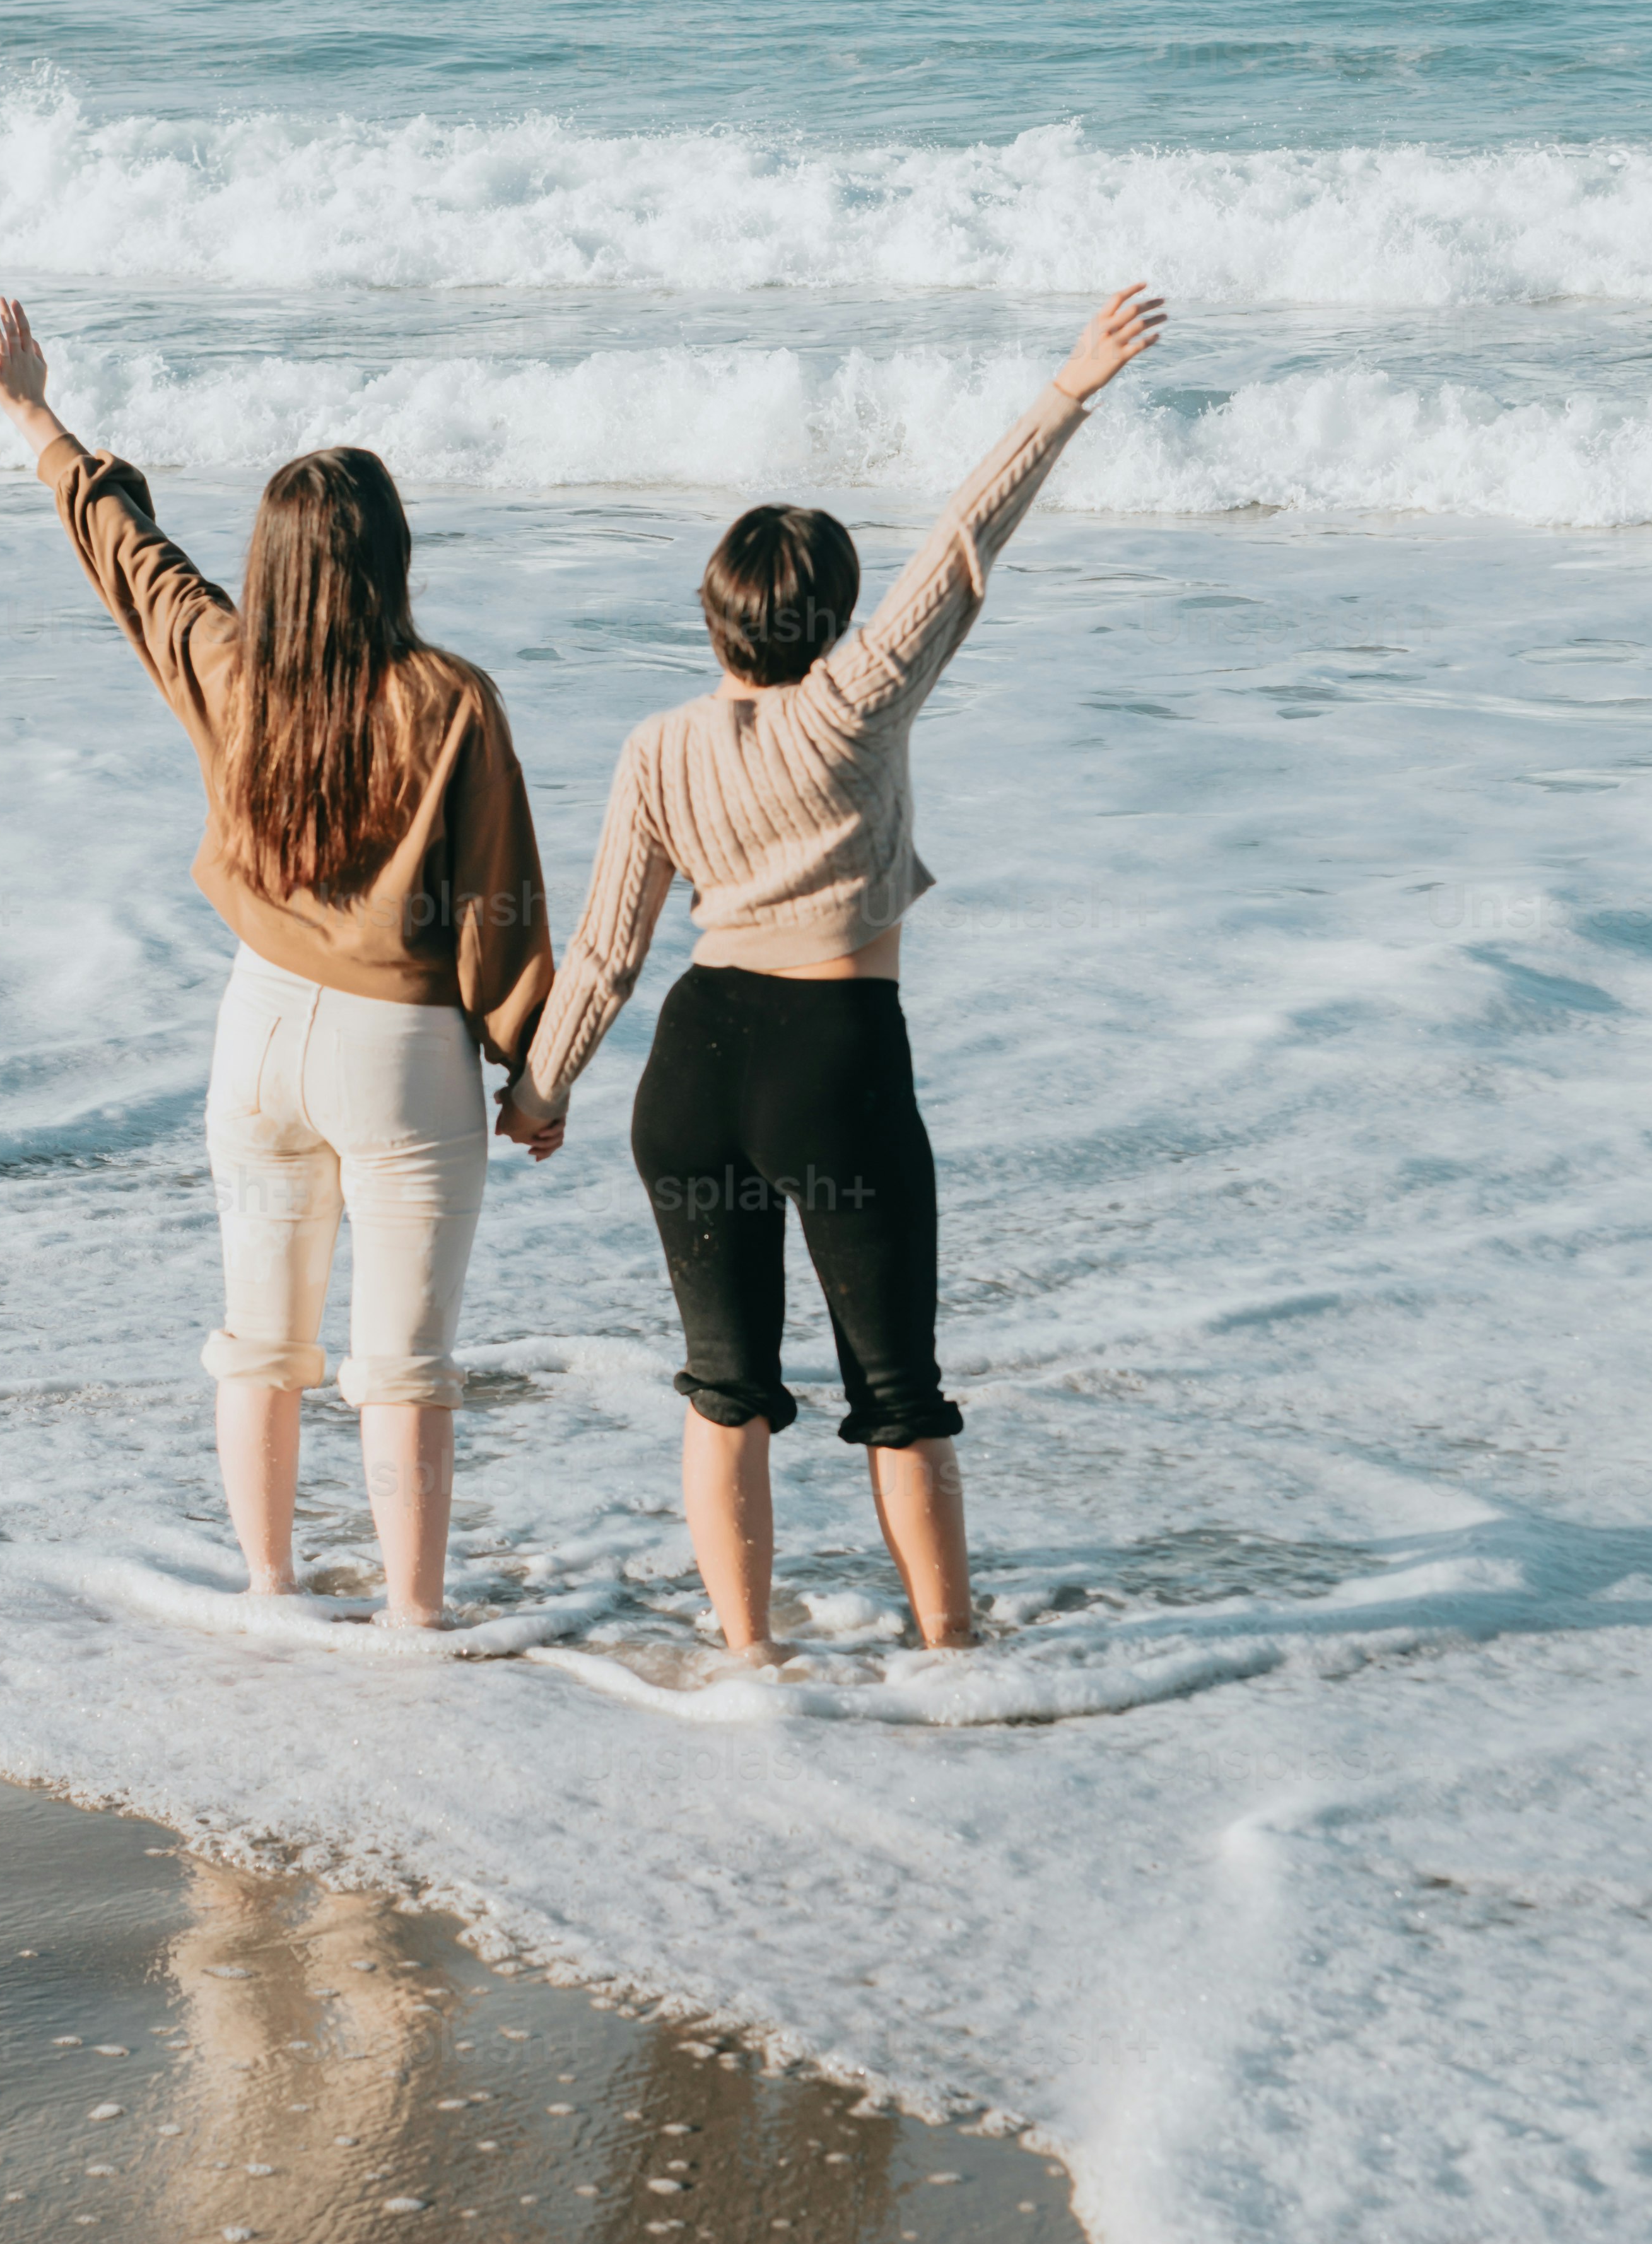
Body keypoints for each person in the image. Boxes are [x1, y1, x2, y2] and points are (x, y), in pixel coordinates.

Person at [500, 287, 1167, 1664]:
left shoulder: (653, 746)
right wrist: (1065, 389)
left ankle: (743, 1662)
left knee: (722, 1390)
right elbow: (962, 545)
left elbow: (612, 948)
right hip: (835, 1068)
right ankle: (947, 1661)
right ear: (835, 619)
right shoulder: (857, 702)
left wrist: (540, 1085)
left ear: (712, 618)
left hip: (689, 1077)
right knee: (897, 1390)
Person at [0, 299, 560, 1630]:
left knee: (258, 1340)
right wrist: (532, 1073)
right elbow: (497, 909)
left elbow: (131, 558)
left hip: (254, 1036)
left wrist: (31, 412)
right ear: (391, 556)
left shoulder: (229, 666)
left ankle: (267, 1594)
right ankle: (413, 1625)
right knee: (402, 1368)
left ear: (276, 564)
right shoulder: (450, 697)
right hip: (400, 1051)